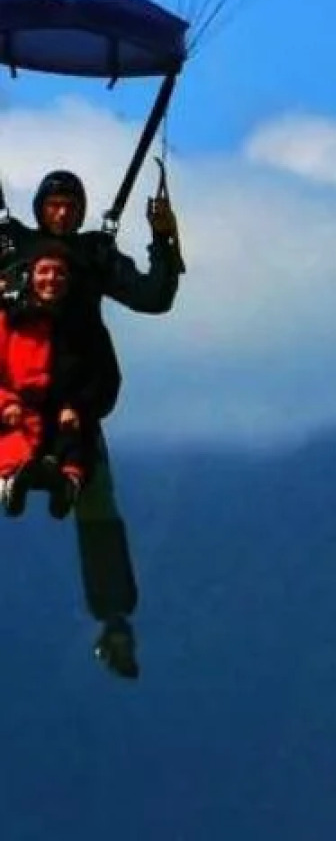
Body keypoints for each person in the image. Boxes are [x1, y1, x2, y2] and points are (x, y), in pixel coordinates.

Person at [0, 169, 183, 679]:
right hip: (12, 396)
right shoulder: (8, 245)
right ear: (40, 208)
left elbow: (154, 297)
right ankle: (21, 477)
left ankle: (114, 618)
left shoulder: (94, 256)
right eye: (54, 205)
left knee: (98, 502)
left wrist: (165, 240)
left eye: (70, 206)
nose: (62, 214)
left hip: (74, 402)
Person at [0, 244, 120, 520]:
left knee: (74, 447)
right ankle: (13, 481)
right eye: (44, 272)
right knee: (11, 442)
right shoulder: (10, 320)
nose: (51, 279)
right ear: (30, 276)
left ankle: (67, 485)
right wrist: (6, 405)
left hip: (66, 418)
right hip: (15, 415)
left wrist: (77, 407)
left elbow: (105, 378)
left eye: (59, 273)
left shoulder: (86, 329)